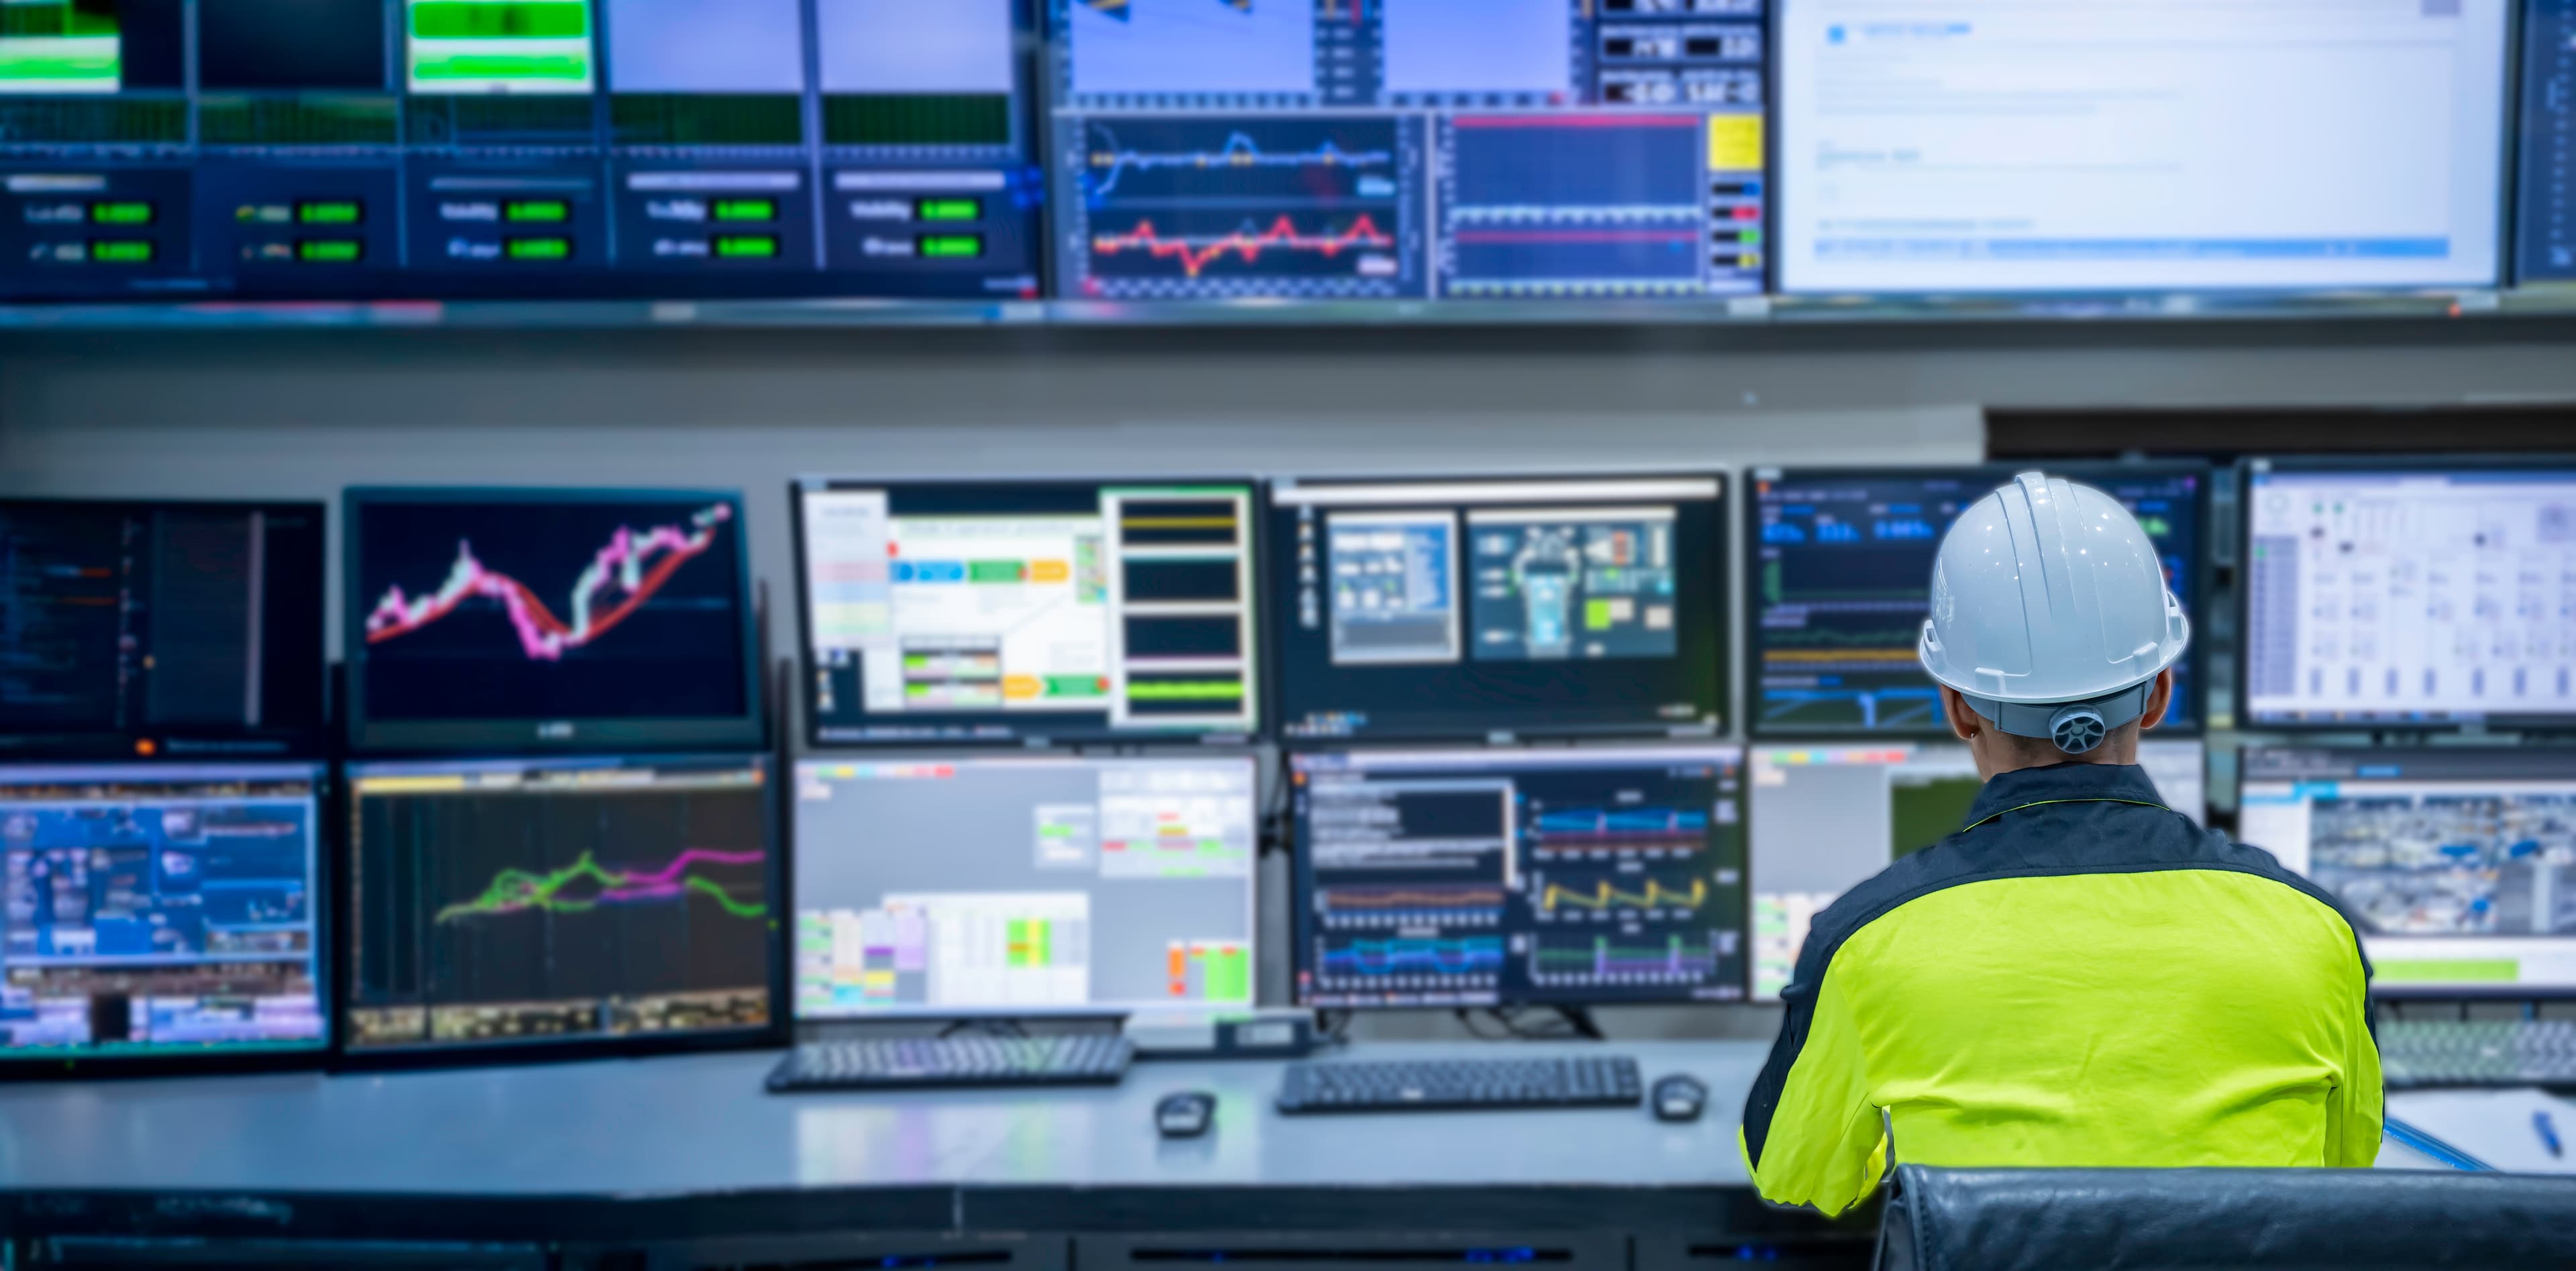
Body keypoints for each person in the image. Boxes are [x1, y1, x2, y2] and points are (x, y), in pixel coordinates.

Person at [1739, 471, 2381, 1217]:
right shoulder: (2313, 931)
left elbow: (1796, 1176)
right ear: (2161, 692)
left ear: (1958, 711)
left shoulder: (1866, 940)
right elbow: (2345, 1160)